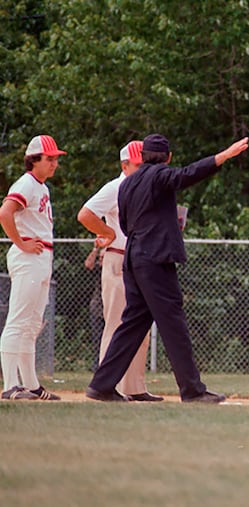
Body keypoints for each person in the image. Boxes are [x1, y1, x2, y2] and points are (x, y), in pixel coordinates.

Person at [86, 134, 249, 403]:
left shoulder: (127, 184)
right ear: (167, 158)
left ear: (143, 155)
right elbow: (188, 174)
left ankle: (101, 385)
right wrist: (223, 156)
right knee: (173, 323)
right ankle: (192, 390)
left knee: (132, 324)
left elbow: (126, 226)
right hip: (155, 260)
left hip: (133, 258)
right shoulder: (159, 176)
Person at [78, 141, 163, 402]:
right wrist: (107, 232)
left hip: (140, 261)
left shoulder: (145, 188)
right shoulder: (116, 187)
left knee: (140, 326)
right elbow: (86, 214)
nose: (142, 169)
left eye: (145, 164)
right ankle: (105, 386)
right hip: (118, 259)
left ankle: (134, 386)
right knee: (116, 324)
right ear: (124, 165)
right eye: (137, 164)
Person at [0, 135, 67, 400]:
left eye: (55, 160)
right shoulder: (26, 183)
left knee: (32, 324)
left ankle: (31, 385)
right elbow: (5, 212)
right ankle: (9, 385)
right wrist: (21, 242)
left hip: (41, 257)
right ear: (33, 160)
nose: (54, 164)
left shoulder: (41, 186)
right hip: (29, 257)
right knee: (18, 321)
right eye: (49, 159)